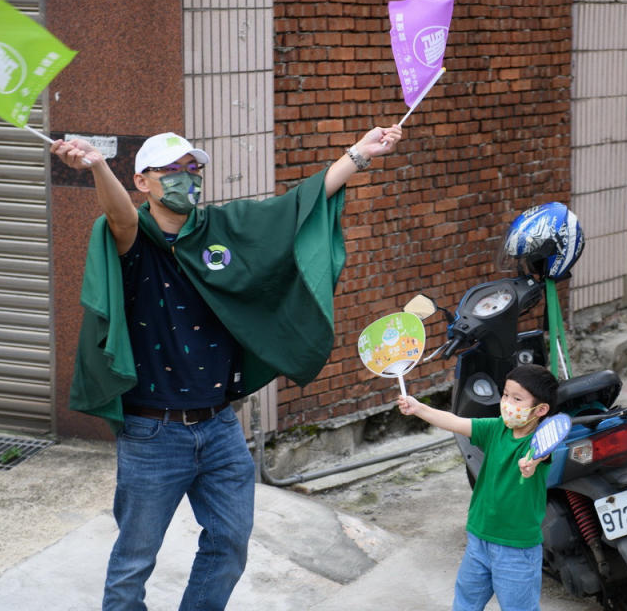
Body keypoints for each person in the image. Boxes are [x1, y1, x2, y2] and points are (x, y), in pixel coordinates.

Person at [51, 123, 402, 610]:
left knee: (230, 545)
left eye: (193, 168)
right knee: (134, 560)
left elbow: (291, 208)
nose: (186, 177)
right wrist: (96, 167)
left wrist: (359, 155)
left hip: (219, 428)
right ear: (142, 182)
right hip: (153, 434)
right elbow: (117, 218)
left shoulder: (223, 230)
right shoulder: (135, 238)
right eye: (170, 170)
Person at [397, 363, 559, 611]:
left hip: (516, 550)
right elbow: (454, 421)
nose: (507, 403)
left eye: (517, 399)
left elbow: (541, 454)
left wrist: (532, 462)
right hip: (479, 539)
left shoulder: (539, 442)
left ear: (541, 409)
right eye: (505, 394)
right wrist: (419, 408)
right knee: (465, 604)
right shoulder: (496, 429)